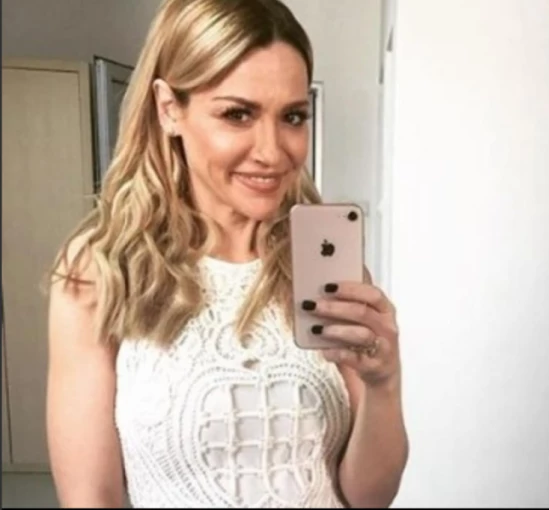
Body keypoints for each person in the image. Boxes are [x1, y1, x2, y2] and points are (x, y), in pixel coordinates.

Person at [45, 0, 409, 507]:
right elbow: (91, 497)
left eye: (293, 116)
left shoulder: (321, 267)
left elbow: (367, 498)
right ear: (169, 109)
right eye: (238, 114)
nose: (272, 151)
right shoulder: (100, 272)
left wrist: (384, 384)